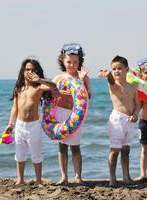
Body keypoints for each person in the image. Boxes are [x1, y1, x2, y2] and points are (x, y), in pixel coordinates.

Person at [5, 57, 56, 186]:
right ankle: (20, 179)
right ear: (23, 71)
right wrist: (10, 124)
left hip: (34, 126)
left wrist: (39, 79)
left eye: (33, 70)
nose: (29, 72)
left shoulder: (39, 87)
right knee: (20, 154)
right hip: (20, 125)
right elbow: (14, 108)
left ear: (36, 72)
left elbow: (53, 86)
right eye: (27, 69)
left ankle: (38, 180)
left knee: (36, 154)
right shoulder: (18, 88)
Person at [98, 55, 141, 186]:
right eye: (114, 69)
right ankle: (112, 178)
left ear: (126, 69)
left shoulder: (133, 86)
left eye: (120, 68)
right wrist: (107, 75)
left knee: (126, 150)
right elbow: (111, 80)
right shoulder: (114, 85)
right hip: (117, 119)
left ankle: (126, 177)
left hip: (129, 120)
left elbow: (137, 104)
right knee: (115, 150)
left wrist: (136, 114)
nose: (117, 71)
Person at [52, 43, 91, 185]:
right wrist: (58, 93)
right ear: (63, 61)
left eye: (75, 62)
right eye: (69, 62)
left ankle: (78, 176)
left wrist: (81, 80)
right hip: (61, 113)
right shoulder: (58, 78)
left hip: (76, 114)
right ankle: (64, 177)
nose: (72, 65)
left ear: (80, 62)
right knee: (62, 146)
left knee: (75, 146)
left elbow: (88, 96)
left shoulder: (83, 77)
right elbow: (50, 97)